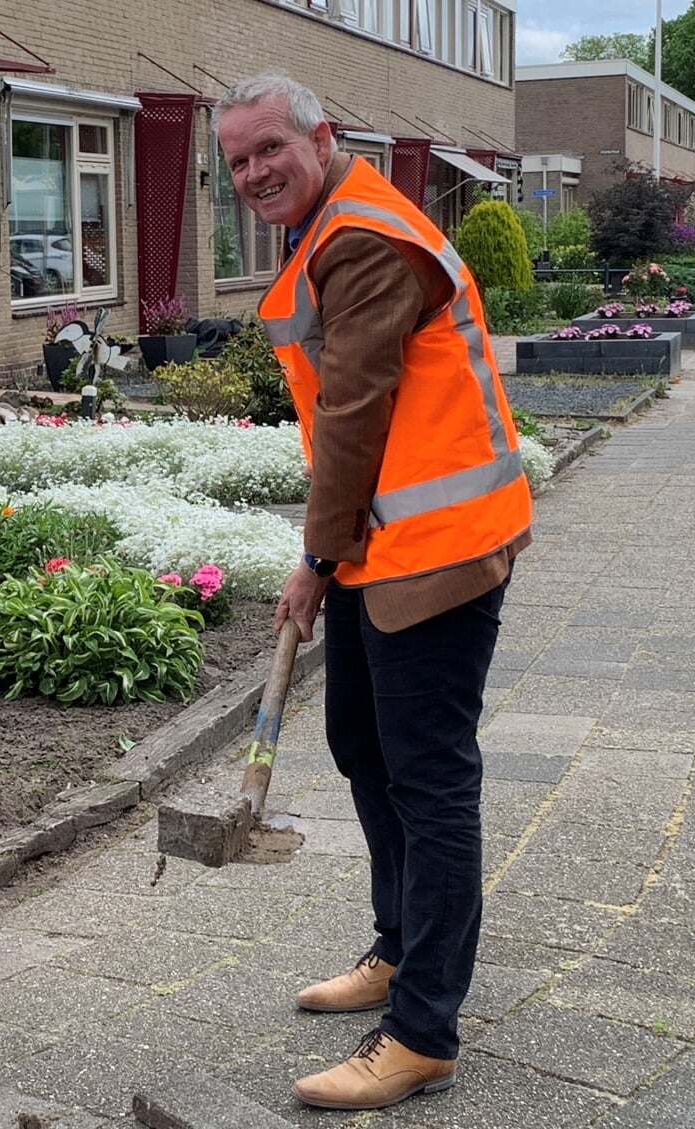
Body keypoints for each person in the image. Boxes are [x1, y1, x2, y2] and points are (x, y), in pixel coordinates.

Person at [213, 73, 532, 1112]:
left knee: (430, 782)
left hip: (437, 549)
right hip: (379, 546)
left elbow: (352, 409)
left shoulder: (359, 236)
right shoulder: (322, 226)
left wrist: (311, 560)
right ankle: (398, 950)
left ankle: (423, 1032)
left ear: (323, 137)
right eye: (237, 161)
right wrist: (332, 552)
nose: (254, 172)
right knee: (361, 743)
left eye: (269, 149)